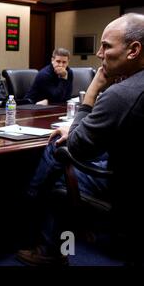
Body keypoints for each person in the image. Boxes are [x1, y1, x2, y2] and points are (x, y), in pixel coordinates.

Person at [17, 13, 144, 265]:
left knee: (58, 150)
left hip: (122, 188)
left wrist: (94, 90)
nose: (99, 53)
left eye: (106, 46)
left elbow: (77, 147)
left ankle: (41, 232)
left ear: (134, 50)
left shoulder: (121, 95)